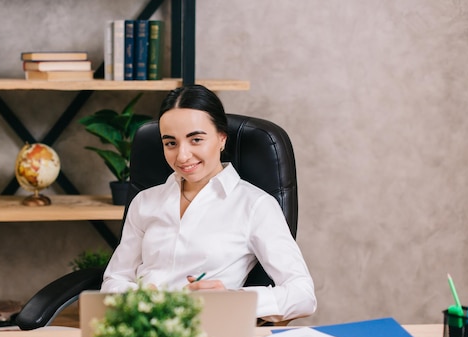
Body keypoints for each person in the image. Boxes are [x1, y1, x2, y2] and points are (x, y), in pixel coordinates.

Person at [101, 84, 316, 323]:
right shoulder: (145, 202)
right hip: (136, 327)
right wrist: (139, 295)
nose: (182, 156)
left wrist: (231, 299)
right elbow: (113, 281)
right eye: (171, 143)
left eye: (196, 140)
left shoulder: (254, 205)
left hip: (204, 334)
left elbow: (303, 294)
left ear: (221, 138)